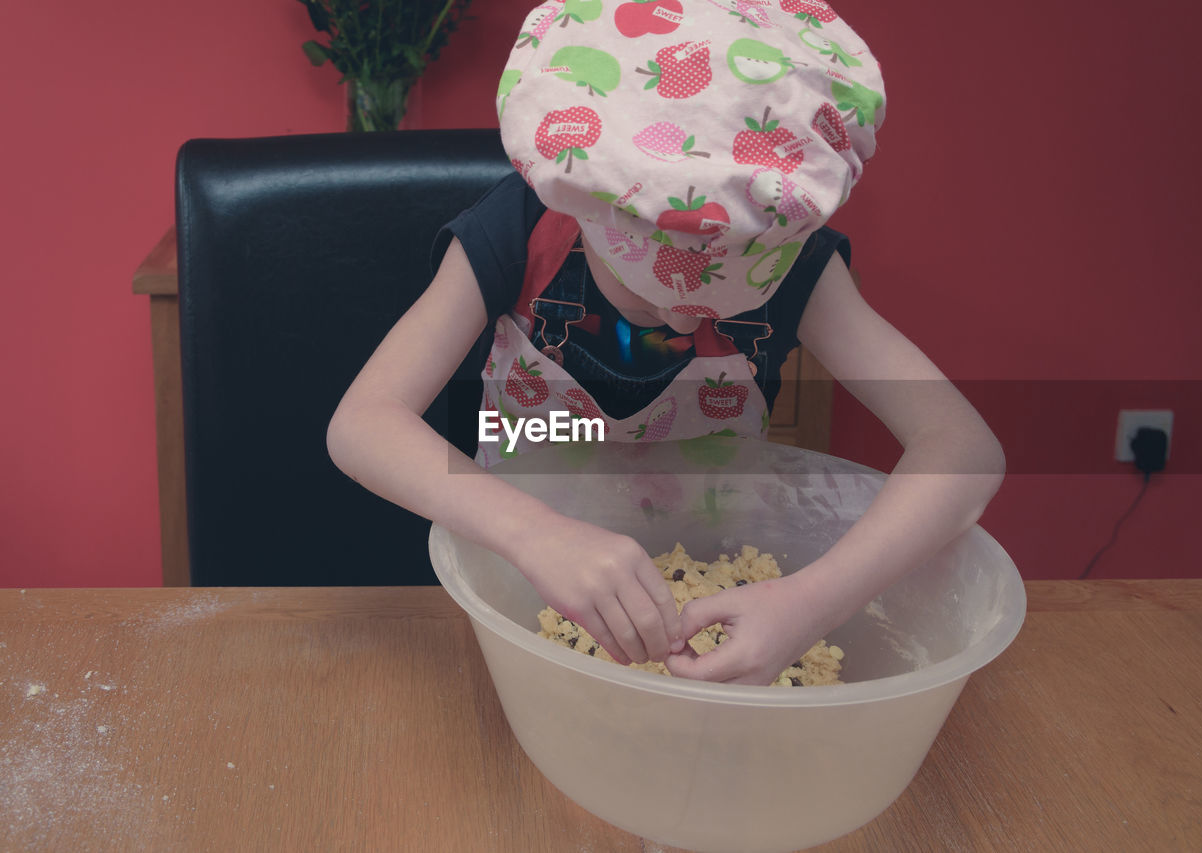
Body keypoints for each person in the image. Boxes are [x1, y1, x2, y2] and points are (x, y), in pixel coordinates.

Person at [327, 0, 1005, 685]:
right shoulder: (520, 231)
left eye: (721, 306)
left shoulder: (795, 260)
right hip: (521, 591)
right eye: (652, 295)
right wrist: (535, 532)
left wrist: (810, 603)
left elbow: (965, 450)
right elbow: (362, 425)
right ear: (586, 217)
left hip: (716, 580)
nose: (682, 325)